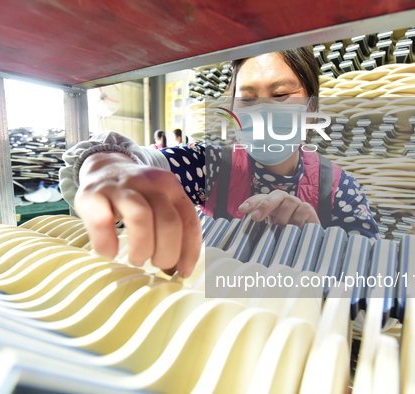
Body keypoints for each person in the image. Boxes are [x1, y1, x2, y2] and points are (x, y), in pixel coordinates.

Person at [59, 46, 379, 277]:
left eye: (281, 95)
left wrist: (319, 242)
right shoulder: (210, 165)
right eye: (248, 100)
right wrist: (107, 164)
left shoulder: (337, 188)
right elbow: (146, 165)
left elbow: (369, 278)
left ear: (310, 111)